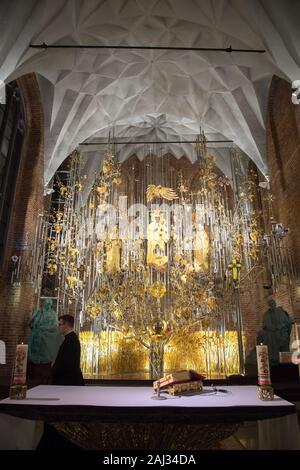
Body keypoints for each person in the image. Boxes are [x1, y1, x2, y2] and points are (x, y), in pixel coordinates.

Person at [51, 314, 84, 385]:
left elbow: (66, 363)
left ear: (66, 325)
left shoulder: (70, 341)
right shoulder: (70, 338)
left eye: (60, 324)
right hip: (68, 379)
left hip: (67, 381)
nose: (58, 327)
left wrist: (54, 370)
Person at [261, 298, 293, 365]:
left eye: (273, 303)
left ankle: (287, 366)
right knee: (275, 356)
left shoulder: (282, 312)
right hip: (274, 337)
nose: (272, 304)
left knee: (285, 353)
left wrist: (283, 327)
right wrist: (276, 327)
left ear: (275, 303)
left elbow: (288, 322)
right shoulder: (267, 314)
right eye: (271, 303)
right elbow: (266, 325)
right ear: (269, 305)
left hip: (283, 336)